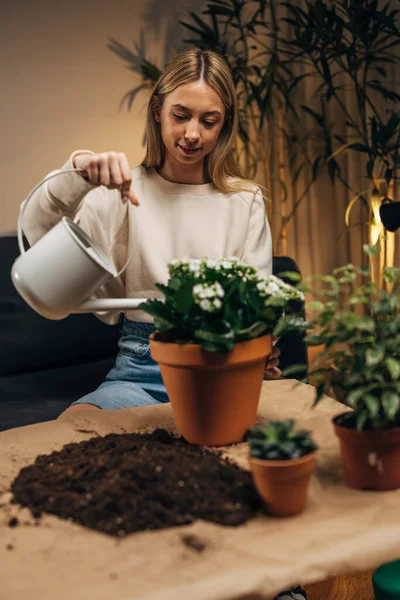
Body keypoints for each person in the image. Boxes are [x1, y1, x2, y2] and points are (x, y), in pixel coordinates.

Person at [23, 48, 306, 600]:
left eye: (209, 119)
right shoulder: (118, 191)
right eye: (181, 114)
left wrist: (261, 349)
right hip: (137, 367)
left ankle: (278, 587)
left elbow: (254, 307)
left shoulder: (244, 201)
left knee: (251, 479)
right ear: (158, 111)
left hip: (221, 369)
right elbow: (36, 243)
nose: (193, 133)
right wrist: (76, 174)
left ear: (224, 125)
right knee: (59, 449)